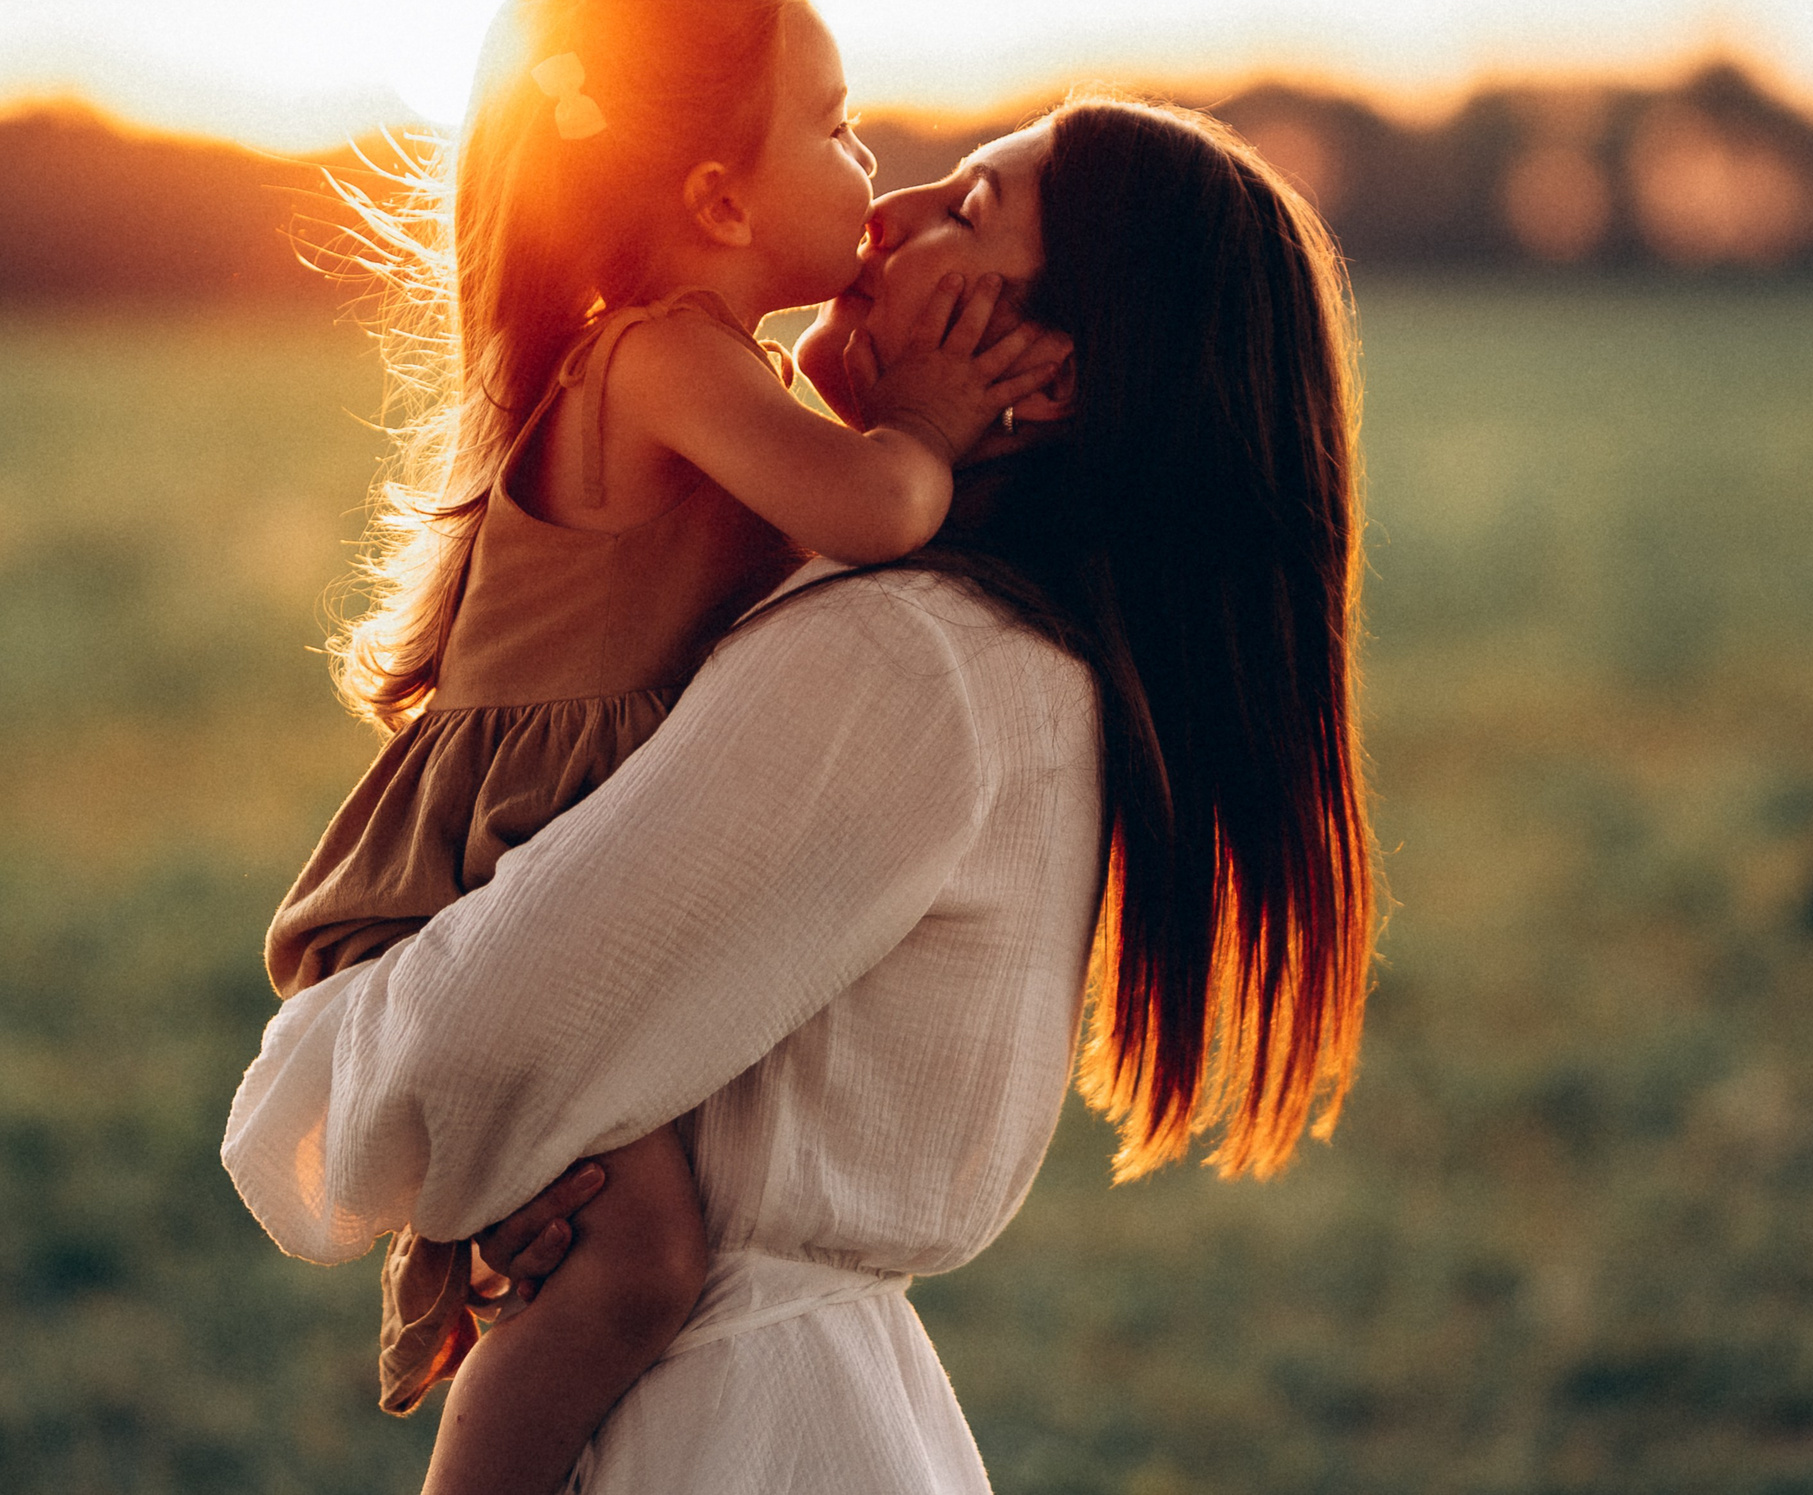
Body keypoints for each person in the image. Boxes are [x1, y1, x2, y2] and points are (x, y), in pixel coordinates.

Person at [226, 95, 1381, 1493]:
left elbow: (464, 1062)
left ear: (1054, 377)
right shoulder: (975, 649)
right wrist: (531, 1154)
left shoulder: (904, 665)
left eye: (966, 212)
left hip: (723, 1439)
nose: (885, 214)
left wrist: (383, 1081)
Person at [257, 0, 1068, 1495]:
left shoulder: (714, 368)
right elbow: (878, 506)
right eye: (834, 128)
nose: (870, 162)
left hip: (539, 846)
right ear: (715, 200)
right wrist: (933, 422)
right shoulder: (661, 361)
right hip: (475, 870)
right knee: (630, 1263)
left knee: (614, 1240)